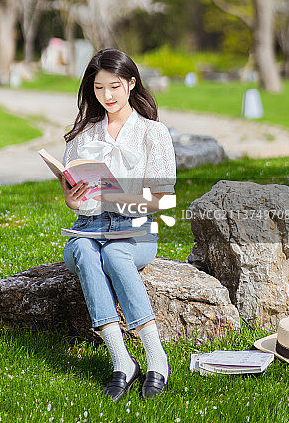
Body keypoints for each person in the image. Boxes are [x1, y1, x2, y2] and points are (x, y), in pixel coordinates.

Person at [61, 48, 176, 402]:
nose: (107, 96)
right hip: (89, 226)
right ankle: (121, 361)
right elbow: (72, 198)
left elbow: (163, 198)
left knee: (114, 256)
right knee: (81, 248)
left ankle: (157, 359)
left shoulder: (152, 133)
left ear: (131, 83)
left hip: (136, 228)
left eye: (114, 86)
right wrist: (73, 198)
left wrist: (116, 196)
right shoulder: (83, 136)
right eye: (98, 88)